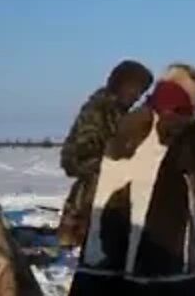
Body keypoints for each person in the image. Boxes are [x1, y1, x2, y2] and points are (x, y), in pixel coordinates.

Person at [63, 63, 195, 296]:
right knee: (155, 256)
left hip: (113, 204)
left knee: (112, 248)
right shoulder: (186, 127)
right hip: (161, 209)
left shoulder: (132, 119)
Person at [57, 60, 154, 248]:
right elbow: (77, 158)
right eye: (134, 90)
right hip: (91, 204)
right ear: (120, 85)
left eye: (140, 93)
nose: (136, 97)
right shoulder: (98, 112)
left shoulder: (120, 114)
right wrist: (122, 164)